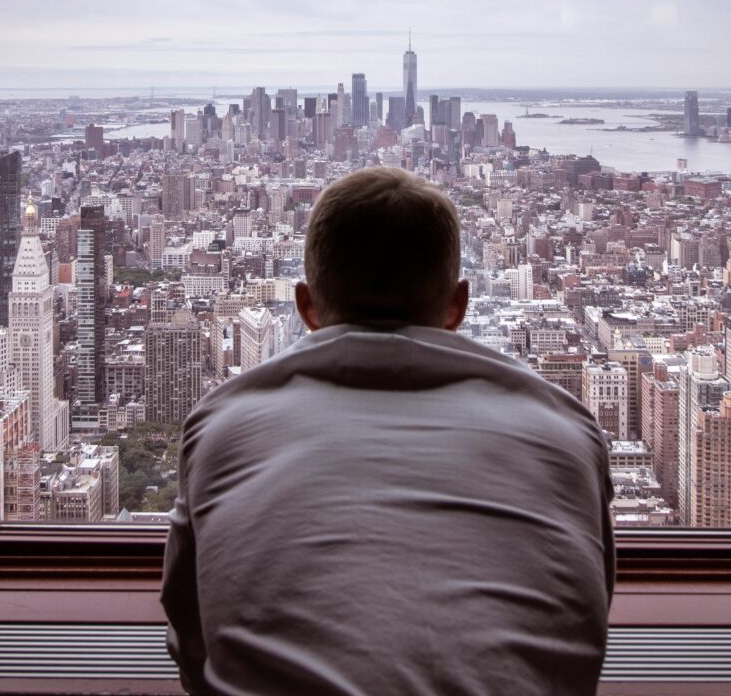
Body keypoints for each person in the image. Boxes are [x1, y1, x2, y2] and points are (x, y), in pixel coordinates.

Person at [161, 166, 614, 695]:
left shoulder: (223, 427)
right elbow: (586, 619)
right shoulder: (566, 433)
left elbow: (189, 635)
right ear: (458, 305)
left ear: (305, 305)